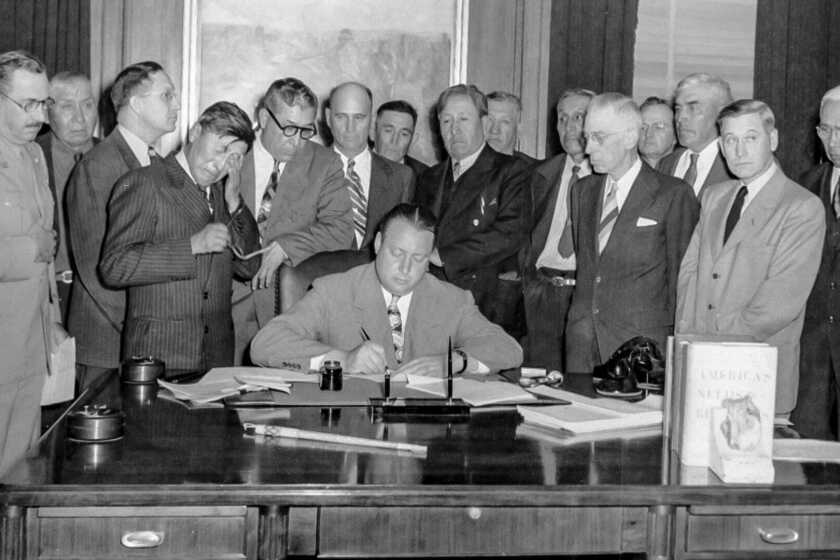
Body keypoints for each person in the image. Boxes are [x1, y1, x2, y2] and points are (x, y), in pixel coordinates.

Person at [677, 99, 825, 419]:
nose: (739, 151)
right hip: (701, 372)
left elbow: (778, 305)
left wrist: (712, 346)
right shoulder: (715, 197)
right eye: (730, 140)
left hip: (757, 378)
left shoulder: (801, 207)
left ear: (772, 140)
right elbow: (689, 276)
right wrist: (688, 348)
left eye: (750, 138)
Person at [250, 203, 523, 375]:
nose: (405, 268)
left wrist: (456, 362)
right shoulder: (333, 291)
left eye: (418, 258)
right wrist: (341, 360)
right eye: (397, 253)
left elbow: (508, 349)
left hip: (425, 442)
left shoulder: (452, 299)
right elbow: (265, 345)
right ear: (378, 244)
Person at [99, 102, 260, 370]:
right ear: (196, 132)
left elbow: (249, 267)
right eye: (221, 149)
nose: (221, 164)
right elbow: (114, 267)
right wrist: (192, 247)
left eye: (234, 158)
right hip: (158, 357)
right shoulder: (146, 182)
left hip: (216, 360)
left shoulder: (224, 195)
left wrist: (234, 202)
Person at [65, 61, 180, 390]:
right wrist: (139, 332)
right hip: (109, 345)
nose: (177, 105)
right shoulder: (99, 166)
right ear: (137, 104)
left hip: (142, 342)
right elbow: (96, 268)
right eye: (167, 95)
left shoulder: (156, 161)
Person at [566, 92, 699, 373]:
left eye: (598, 137)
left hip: (642, 350)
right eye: (586, 137)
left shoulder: (673, 194)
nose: (588, 148)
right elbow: (590, 269)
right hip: (582, 346)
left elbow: (682, 282)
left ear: (629, 138)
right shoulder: (581, 191)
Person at [231, 78, 353, 364]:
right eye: (288, 128)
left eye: (305, 131)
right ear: (263, 118)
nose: (297, 140)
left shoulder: (325, 164)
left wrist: (286, 247)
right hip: (226, 307)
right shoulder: (232, 152)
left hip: (286, 310)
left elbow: (341, 229)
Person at [414, 84, 530, 326]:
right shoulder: (428, 178)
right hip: (430, 300)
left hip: (486, 304)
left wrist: (443, 256)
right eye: (446, 121)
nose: (454, 129)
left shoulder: (511, 171)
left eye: (463, 119)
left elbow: (510, 233)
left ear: (484, 124)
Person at [0, 50, 57, 474]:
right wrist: (30, 249)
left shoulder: (35, 155)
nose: (40, 115)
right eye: (29, 104)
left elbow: (48, 239)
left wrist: (51, 317)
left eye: (44, 103)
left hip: (29, 336)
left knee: (19, 467)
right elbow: (38, 244)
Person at [520, 88, 594, 369]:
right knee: (538, 381)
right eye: (562, 119)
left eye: (579, 117)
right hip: (540, 294)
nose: (569, 126)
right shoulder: (539, 175)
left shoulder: (607, 178)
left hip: (584, 295)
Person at [793, 86, 840, 439]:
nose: (833, 141)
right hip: (812, 356)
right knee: (810, 466)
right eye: (825, 130)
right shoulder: (805, 186)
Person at [36, 71, 99, 323]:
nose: (80, 118)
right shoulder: (31, 156)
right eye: (66, 107)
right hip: (47, 295)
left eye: (87, 105)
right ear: (47, 112)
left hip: (101, 297)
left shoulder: (116, 157)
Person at [657, 73, 735, 200]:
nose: (681, 118)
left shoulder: (736, 166)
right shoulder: (666, 164)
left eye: (693, 108)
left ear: (721, 113)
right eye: (678, 109)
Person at [372, 99, 428, 178]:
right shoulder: (353, 165)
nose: (395, 140)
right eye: (388, 131)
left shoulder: (425, 177)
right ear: (373, 131)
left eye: (404, 134)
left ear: (413, 140)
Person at [486, 90, 538, 165]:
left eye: (504, 121)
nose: (494, 130)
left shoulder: (535, 172)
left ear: (519, 128)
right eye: (489, 120)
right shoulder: (464, 168)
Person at [637, 96, 676, 169]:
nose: (648, 134)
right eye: (643, 127)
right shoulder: (624, 174)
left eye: (659, 126)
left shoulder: (684, 174)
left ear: (675, 136)